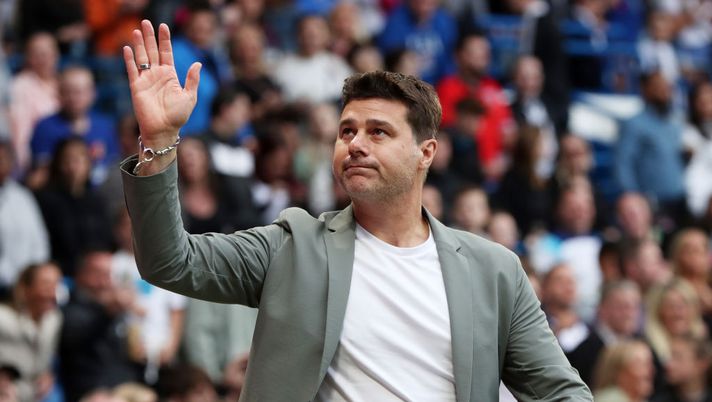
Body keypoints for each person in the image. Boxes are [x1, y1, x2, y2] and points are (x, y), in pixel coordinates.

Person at [119, 20, 592, 400]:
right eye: (347, 131)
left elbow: (562, 393)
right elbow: (168, 261)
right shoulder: (291, 245)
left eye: (379, 132)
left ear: (426, 153)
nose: (356, 145)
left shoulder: (495, 271)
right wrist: (160, 142)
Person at [0, 262, 62, 402]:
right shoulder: (3, 318)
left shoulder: (54, 320)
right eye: (46, 284)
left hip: (38, 392)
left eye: (57, 284)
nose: (53, 292)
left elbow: (49, 357)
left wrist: (48, 374)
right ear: (25, 288)